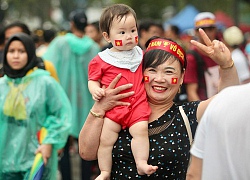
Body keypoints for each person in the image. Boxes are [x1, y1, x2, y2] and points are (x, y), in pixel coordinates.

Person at [79, 28, 239, 179]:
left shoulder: (188, 114)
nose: (159, 79)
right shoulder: (117, 107)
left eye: (169, 72)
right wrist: (99, 107)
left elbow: (227, 101)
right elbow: (86, 152)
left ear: (182, 77)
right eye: (152, 70)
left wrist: (226, 65)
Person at [88, 4, 158, 179]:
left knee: (141, 131)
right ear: (107, 36)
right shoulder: (102, 59)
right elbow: (92, 79)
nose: (129, 36)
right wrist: (95, 90)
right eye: (122, 32)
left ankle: (141, 163)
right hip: (114, 108)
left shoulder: (141, 55)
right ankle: (104, 171)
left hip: (137, 105)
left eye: (133, 30)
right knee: (105, 140)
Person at [0, 33, 71, 180]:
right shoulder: (2, 86)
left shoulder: (44, 83)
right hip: (4, 162)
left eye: (21, 51)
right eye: (11, 51)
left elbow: (61, 115)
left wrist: (49, 142)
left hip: (35, 158)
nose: (16, 56)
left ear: (31, 53)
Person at [43, 9, 100, 180]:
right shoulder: (94, 47)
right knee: (86, 147)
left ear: (71, 24)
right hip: (87, 104)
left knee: (64, 146)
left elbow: (46, 66)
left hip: (63, 102)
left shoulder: (60, 43)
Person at [186, 83, 250, 180]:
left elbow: (194, 174)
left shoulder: (223, 99)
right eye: (153, 70)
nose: (160, 79)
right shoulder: (224, 99)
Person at [184, 12, 220, 101]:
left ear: (215, 29)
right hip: (205, 106)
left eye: (210, 29)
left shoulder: (221, 50)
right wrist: (202, 113)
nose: (207, 33)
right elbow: (191, 92)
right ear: (196, 32)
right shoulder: (191, 57)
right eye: (203, 29)